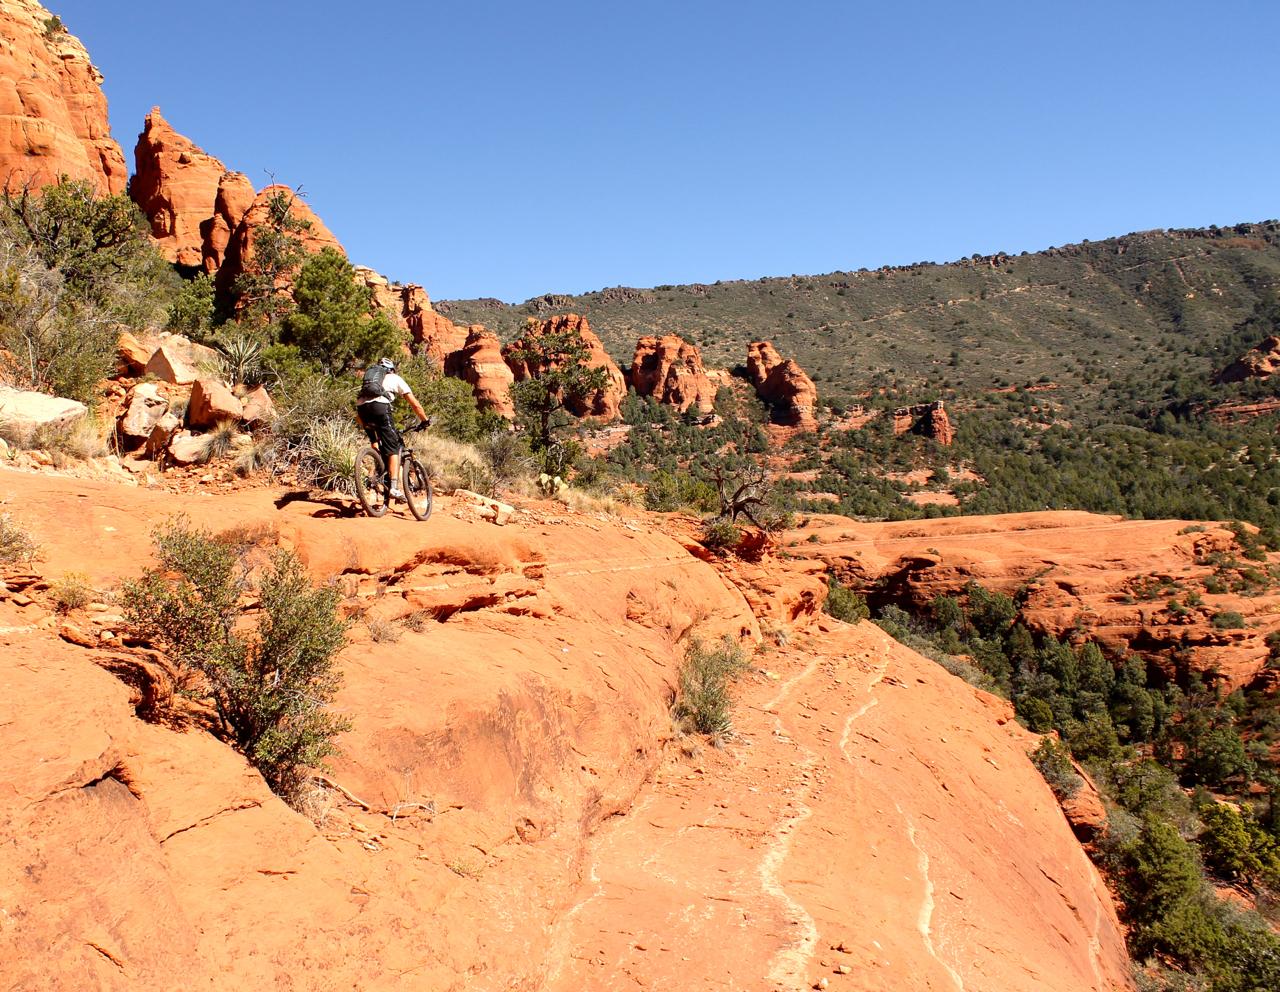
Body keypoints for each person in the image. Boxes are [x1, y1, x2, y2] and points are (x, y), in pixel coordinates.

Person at [356, 358, 428, 499]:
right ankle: (394, 488)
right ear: (392, 370)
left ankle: (378, 474)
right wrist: (424, 420)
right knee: (393, 447)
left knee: (376, 442)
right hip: (380, 407)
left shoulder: (371, 380)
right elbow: (414, 403)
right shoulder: (394, 378)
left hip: (361, 410)